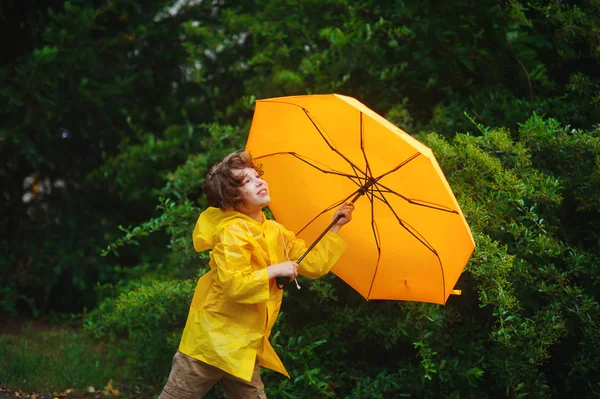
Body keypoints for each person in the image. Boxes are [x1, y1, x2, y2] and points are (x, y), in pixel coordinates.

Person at [158, 150, 354, 399]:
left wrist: (335, 225)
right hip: (210, 342)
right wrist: (274, 270)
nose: (259, 181)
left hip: (244, 347)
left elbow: (314, 264)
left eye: (257, 176)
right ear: (231, 200)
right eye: (247, 181)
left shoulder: (274, 231)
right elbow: (234, 285)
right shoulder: (231, 231)